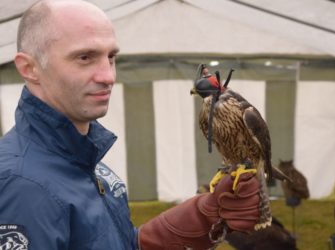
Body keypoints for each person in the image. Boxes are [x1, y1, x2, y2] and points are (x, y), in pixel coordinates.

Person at [0, 0, 262, 249]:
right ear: (29, 68)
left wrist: (201, 217)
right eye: (84, 57)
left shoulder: (78, 157)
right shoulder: (22, 185)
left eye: (111, 57)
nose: (108, 76)